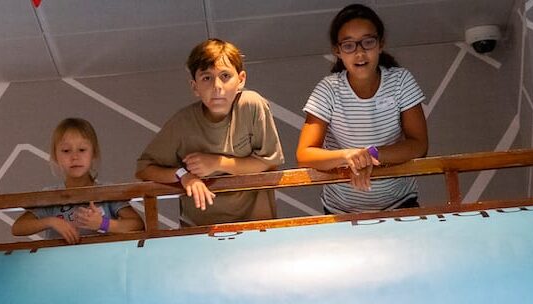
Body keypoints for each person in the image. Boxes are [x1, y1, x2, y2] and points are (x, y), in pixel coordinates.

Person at [135, 38, 284, 226]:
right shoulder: (182, 122)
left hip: (256, 226)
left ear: (241, 80)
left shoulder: (251, 104)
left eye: (225, 76)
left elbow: (269, 163)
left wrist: (217, 162)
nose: (217, 86)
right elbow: (144, 169)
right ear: (194, 87)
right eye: (207, 78)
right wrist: (183, 175)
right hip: (199, 228)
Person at [296, 3, 428, 214]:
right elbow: (305, 154)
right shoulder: (328, 89)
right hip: (340, 210)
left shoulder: (400, 80)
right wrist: (348, 156)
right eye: (349, 45)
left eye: (368, 42)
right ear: (337, 51)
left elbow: (419, 145)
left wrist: (370, 155)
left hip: (400, 203)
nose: (359, 52)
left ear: (380, 44)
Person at [12, 118, 144, 243]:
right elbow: (18, 227)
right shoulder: (51, 195)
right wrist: (51, 221)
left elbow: (137, 225)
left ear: (94, 153)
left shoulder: (107, 191)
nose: (75, 157)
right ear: (55, 156)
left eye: (82, 150)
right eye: (66, 151)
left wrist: (102, 224)